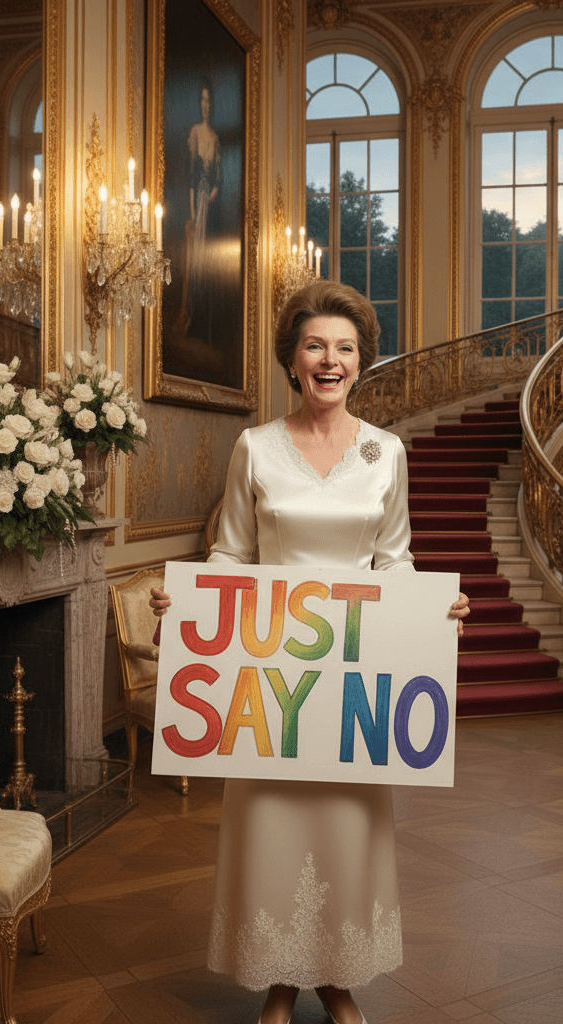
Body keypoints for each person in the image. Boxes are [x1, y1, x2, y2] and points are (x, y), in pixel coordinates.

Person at [149, 279, 469, 1024]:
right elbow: (230, 553)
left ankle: (339, 978)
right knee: (274, 826)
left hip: (356, 679)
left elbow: (394, 560)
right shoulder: (253, 446)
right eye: (316, 346)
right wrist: (189, 601)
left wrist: (431, 609)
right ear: (293, 361)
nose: (331, 360)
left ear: (362, 362)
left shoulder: (386, 453)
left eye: (346, 348)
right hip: (271, 679)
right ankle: (279, 979)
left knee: (345, 826)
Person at [181, 77, 221, 338]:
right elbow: (192, 176)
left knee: (207, 264)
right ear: (199, 104)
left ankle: (202, 321)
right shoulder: (195, 132)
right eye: (202, 100)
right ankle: (189, 315)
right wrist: (194, 213)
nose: (205, 104)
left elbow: (218, 179)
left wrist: (211, 197)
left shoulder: (215, 138)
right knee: (193, 261)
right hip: (197, 204)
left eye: (209, 101)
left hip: (209, 204)